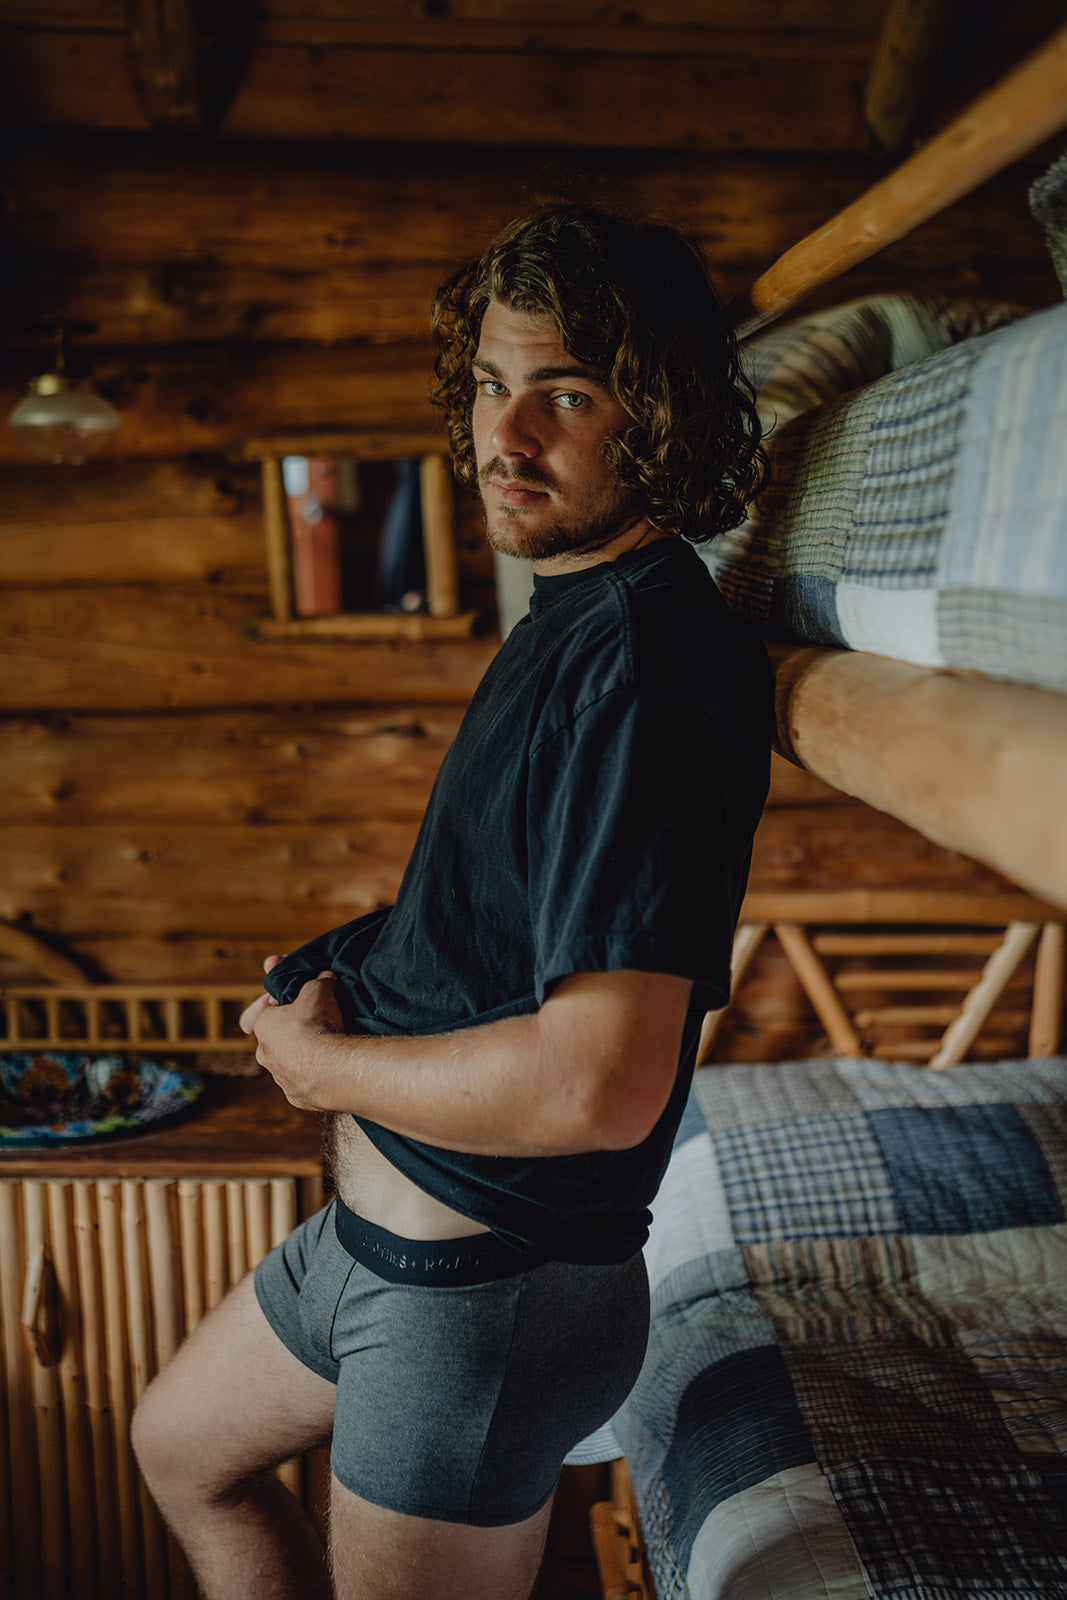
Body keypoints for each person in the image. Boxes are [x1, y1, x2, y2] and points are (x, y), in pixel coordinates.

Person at [131, 203, 771, 1600]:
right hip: (384, 1251)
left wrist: (319, 1066)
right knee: (182, 1448)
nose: (505, 435)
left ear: (651, 415)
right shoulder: (570, 616)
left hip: (480, 1301)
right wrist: (346, 968)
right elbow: (499, 926)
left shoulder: (648, 670)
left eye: (564, 394)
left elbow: (598, 1084)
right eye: (490, 383)